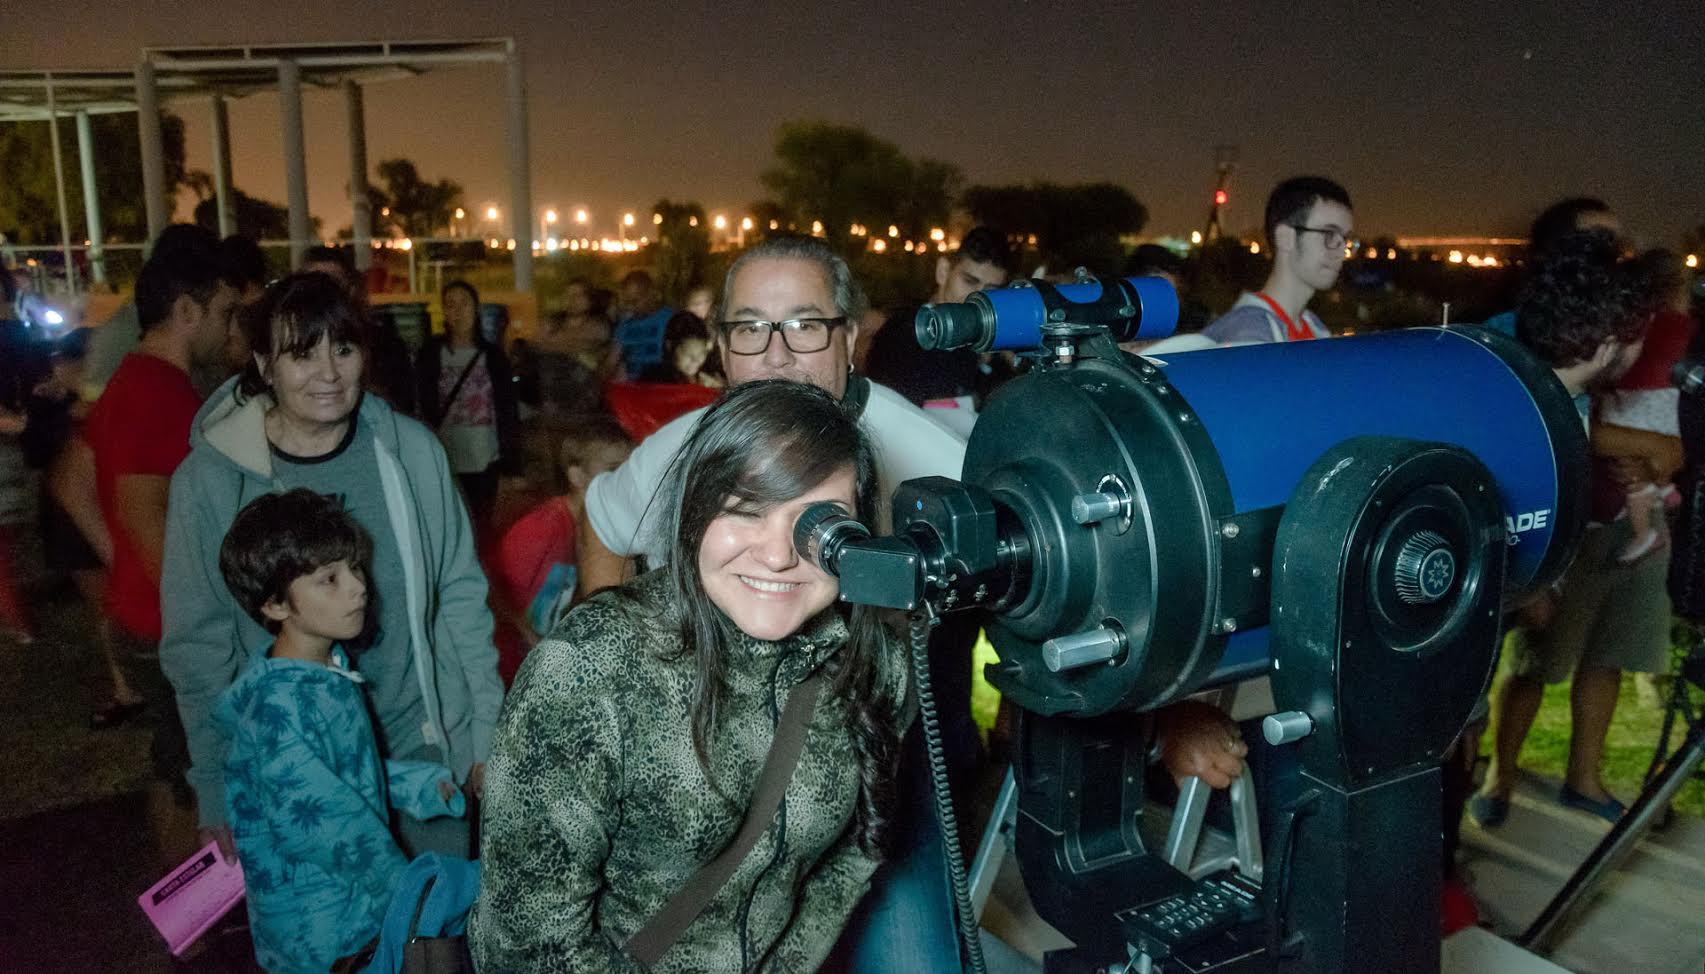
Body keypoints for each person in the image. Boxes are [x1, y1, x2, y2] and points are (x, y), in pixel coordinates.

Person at [576, 236, 969, 971]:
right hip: (703, 766)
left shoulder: (933, 461)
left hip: (874, 774)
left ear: (849, 338)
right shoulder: (687, 444)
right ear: (720, 346)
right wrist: (607, 677)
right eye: (750, 327)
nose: (776, 353)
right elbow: (602, 521)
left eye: (805, 324)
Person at [471, 380, 910, 972]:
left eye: (817, 525)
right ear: (696, 509)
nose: (779, 555)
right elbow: (525, 945)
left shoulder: (874, 667)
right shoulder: (591, 669)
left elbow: (855, 857)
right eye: (746, 510)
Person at [161, 272, 502, 861]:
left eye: (343, 349)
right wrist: (213, 783)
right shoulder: (213, 480)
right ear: (264, 364)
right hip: (294, 766)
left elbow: (460, 595)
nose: (328, 373)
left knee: (433, 936)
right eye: (301, 353)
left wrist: (486, 735)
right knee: (330, 943)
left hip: (421, 747)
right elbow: (198, 644)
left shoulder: (411, 452)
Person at [214, 488, 464, 974]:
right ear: (275, 604)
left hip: (350, 914)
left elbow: (340, 772)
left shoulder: (327, 669)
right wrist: (410, 891)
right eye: (329, 579)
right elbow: (324, 824)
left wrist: (417, 786)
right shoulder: (280, 711)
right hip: (324, 935)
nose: (357, 588)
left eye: (355, 568)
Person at [1471, 230, 1657, 828]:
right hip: (1472, 617)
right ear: (1607, 346)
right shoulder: (1533, 410)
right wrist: (1531, 589)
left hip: (1493, 609)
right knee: (1454, 739)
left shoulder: (1543, 391)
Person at [84, 232, 240, 813]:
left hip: (144, 614)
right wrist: (206, 615)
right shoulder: (159, 393)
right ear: (185, 312)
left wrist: (119, 566)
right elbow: (144, 512)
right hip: (164, 625)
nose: (230, 330)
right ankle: (186, 897)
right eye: (223, 313)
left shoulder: (133, 383)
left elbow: (80, 484)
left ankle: (182, 891)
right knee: (194, 784)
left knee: (177, 767)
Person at [492, 416, 632, 683]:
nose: (624, 481)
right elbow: (495, 594)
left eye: (629, 470)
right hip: (517, 669)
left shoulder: (601, 526)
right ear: (576, 475)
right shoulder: (544, 529)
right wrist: (531, 639)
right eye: (613, 469)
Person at [1592, 251, 1693, 564]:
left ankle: (1643, 531)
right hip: (1666, 404)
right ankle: (1663, 490)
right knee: (1640, 466)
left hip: (1629, 401)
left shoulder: (1635, 322)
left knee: (1632, 470)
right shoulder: (1684, 326)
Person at [85, 227, 267, 397]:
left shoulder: (140, 372)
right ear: (186, 308)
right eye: (226, 313)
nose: (233, 331)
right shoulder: (123, 338)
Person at [864, 225, 1015, 407]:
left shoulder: (988, 346)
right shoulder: (901, 336)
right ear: (943, 272)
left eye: (991, 290)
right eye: (969, 281)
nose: (978, 298)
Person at [415, 280, 520, 531]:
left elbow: (506, 408)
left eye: (464, 303)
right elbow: (420, 398)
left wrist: (512, 460)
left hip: (484, 453)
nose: (458, 311)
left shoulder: (493, 357)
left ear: (476, 308)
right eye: (450, 304)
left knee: (481, 522)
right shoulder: (431, 352)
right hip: (446, 450)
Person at [1202, 176, 1353, 345]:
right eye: (1329, 234)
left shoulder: (1315, 328)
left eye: (1344, 238)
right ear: (1285, 237)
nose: (1341, 251)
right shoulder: (1248, 335)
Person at [611, 269, 672, 375]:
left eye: (635, 301)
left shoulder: (670, 319)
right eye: (627, 302)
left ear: (650, 294)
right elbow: (612, 360)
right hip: (633, 387)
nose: (630, 307)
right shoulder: (625, 324)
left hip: (662, 385)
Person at [639, 311, 723, 387]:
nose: (696, 360)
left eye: (701, 353)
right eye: (689, 354)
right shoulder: (653, 381)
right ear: (670, 346)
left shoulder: (709, 378)